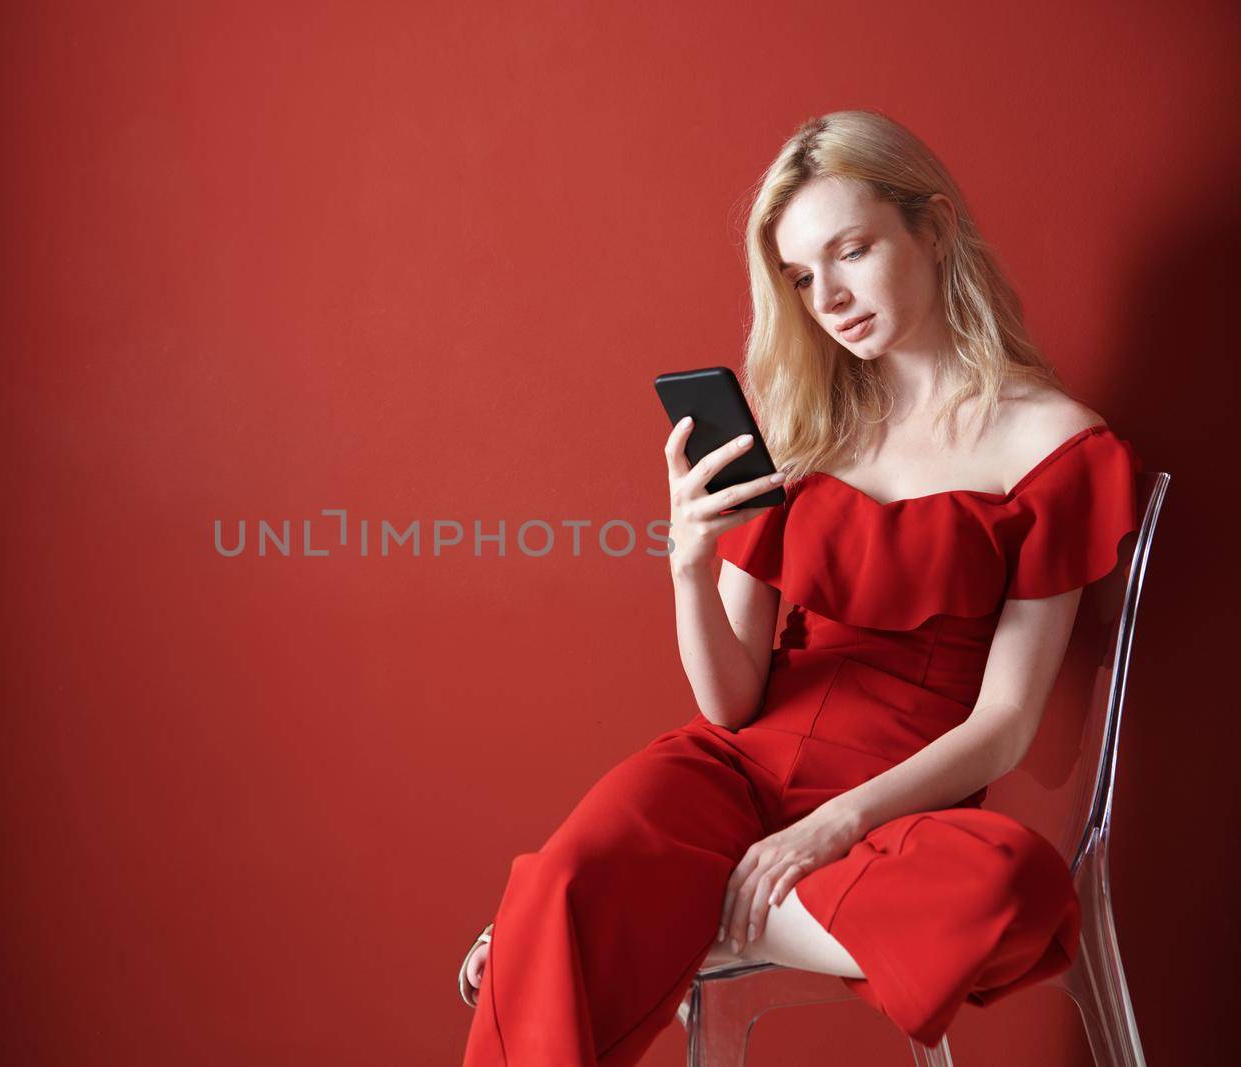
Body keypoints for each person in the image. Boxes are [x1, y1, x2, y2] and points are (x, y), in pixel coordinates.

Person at [457, 108, 1143, 1066]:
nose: (829, 297)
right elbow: (730, 701)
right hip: (733, 775)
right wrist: (688, 561)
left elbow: (1006, 723)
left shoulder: (1055, 445)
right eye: (800, 277)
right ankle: (591, 912)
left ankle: (596, 926)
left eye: (851, 251)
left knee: (1014, 889)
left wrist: (835, 825)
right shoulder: (801, 428)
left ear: (935, 227)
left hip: (895, 814)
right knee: (576, 863)